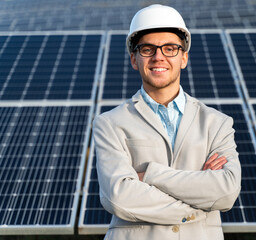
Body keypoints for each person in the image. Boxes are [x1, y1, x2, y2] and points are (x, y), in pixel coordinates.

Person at [93, 4, 241, 240]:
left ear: (184, 58)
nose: (158, 56)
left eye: (170, 48)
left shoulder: (218, 123)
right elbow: (119, 197)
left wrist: (150, 175)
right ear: (134, 59)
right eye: (148, 49)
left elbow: (225, 192)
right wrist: (197, 205)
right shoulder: (109, 123)